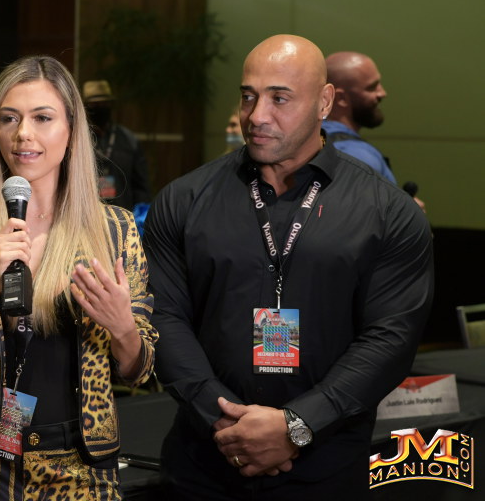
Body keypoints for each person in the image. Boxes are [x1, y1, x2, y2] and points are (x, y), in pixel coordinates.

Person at [144, 34, 433, 500]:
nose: (257, 115)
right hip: (203, 465)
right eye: (248, 96)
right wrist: (226, 423)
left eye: (279, 98)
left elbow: (390, 339)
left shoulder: (387, 213)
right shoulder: (184, 200)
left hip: (326, 470)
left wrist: (297, 426)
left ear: (324, 102)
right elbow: (162, 316)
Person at [0, 56, 158, 500]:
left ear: (71, 129)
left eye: (42, 118)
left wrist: (123, 327)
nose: (23, 133)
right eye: (9, 118)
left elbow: (140, 371)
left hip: (82, 467)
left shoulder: (114, 231)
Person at [323, 51, 425, 210]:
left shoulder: (315, 139)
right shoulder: (357, 159)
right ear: (340, 98)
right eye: (371, 88)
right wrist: (407, 216)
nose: (382, 93)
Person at [82, 79, 151, 211]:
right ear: (85, 108)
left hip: (123, 215)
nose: (100, 108)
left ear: (111, 105)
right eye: (94, 105)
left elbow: (141, 186)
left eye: (104, 104)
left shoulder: (128, 140)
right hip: (86, 214)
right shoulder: (77, 140)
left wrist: (140, 214)